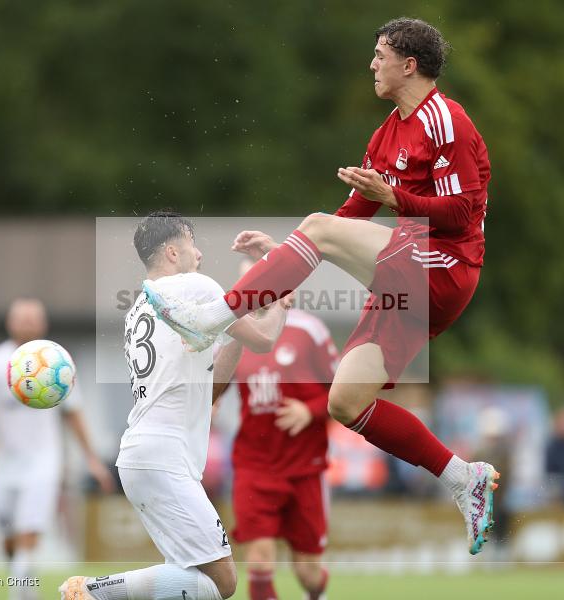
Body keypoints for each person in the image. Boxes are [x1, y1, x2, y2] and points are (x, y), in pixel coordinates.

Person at [144, 17, 500, 554]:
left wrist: (388, 202)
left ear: (409, 65)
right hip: (410, 273)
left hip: (445, 266)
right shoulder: (387, 133)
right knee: (345, 402)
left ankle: (211, 320)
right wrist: (287, 252)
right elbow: (351, 214)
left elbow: (461, 213)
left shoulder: (444, 120)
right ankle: (460, 477)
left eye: (380, 55)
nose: (371, 64)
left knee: (316, 227)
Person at [60, 212, 291, 600]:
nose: (199, 255)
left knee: (187, 578)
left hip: (148, 455)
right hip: (163, 457)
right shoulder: (191, 286)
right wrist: (281, 300)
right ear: (171, 252)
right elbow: (265, 340)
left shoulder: (141, 310)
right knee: (223, 582)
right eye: (192, 245)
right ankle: (93, 592)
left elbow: (211, 388)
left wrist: (246, 315)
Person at [0, 298, 114, 600]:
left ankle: (20, 588)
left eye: (32, 317)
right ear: (10, 322)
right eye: (20, 317)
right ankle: (23, 575)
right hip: (3, 462)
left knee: (29, 529)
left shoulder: (57, 359)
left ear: (43, 323)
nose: (26, 322)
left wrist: (91, 458)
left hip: (43, 461)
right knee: (8, 539)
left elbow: (74, 413)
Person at [229, 261, 337, 600]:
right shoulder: (232, 334)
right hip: (254, 466)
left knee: (307, 571)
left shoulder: (309, 331)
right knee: (259, 560)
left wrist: (311, 409)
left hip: (304, 467)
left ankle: (317, 592)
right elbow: (211, 386)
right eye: (247, 278)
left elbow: (345, 392)